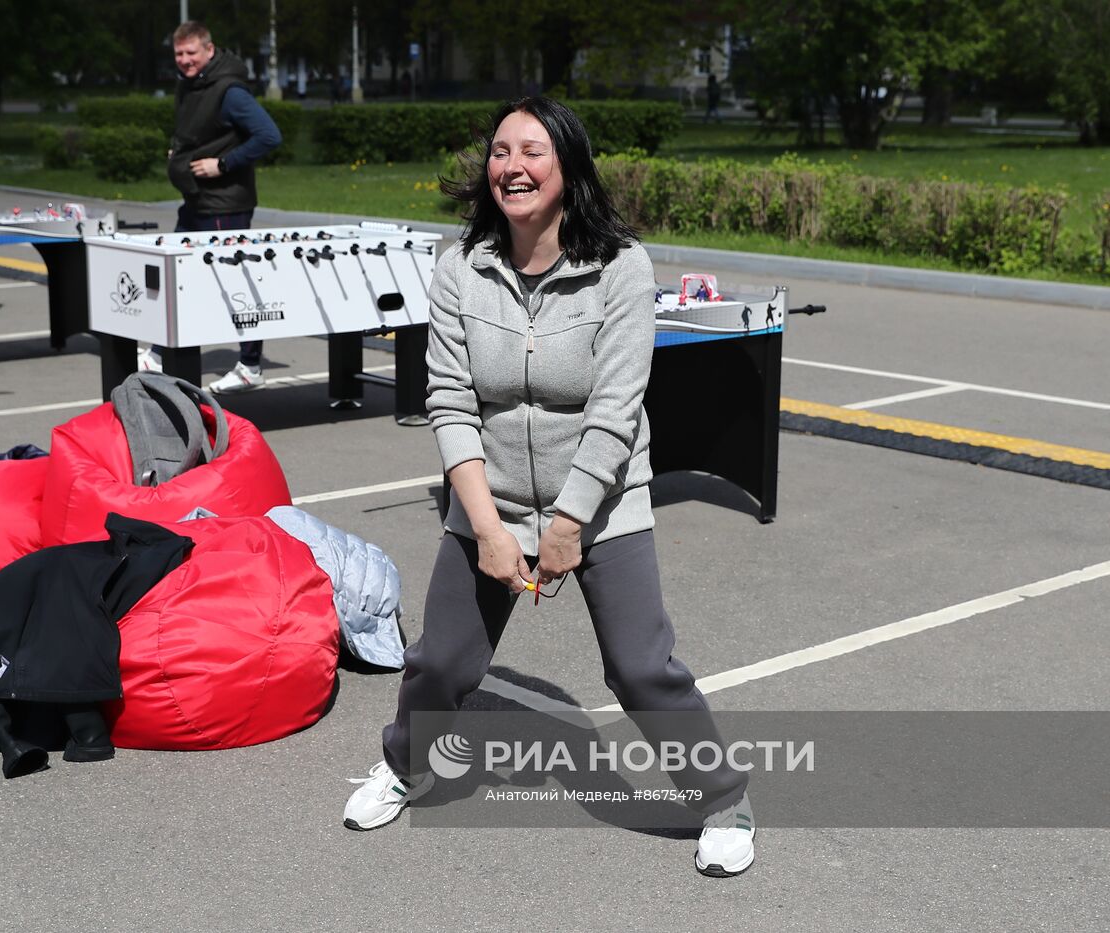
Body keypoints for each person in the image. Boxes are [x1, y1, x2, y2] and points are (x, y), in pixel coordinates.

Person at [341, 97, 756, 877]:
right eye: (500, 150)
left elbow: (616, 403)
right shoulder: (459, 265)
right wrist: (489, 528)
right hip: (489, 497)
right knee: (441, 664)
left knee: (640, 667)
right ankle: (405, 762)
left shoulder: (622, 266)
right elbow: (451, 402)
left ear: (568, 167)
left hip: (601, 496)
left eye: (533, 150)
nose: (512, 166)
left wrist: (568, 522)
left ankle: (723, 795)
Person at [163, 20, 283, 394]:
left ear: (209, 50)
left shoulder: (230, 92)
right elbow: (198, 132)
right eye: (179, 54)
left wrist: (223, 163)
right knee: (177, 275)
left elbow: (269, 135)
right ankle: (159, 350)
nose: (184, 60)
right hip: (196, 200)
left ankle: (250, 364)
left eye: (191, 53)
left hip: (225, 205)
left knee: (234, 285)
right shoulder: (191, 85)